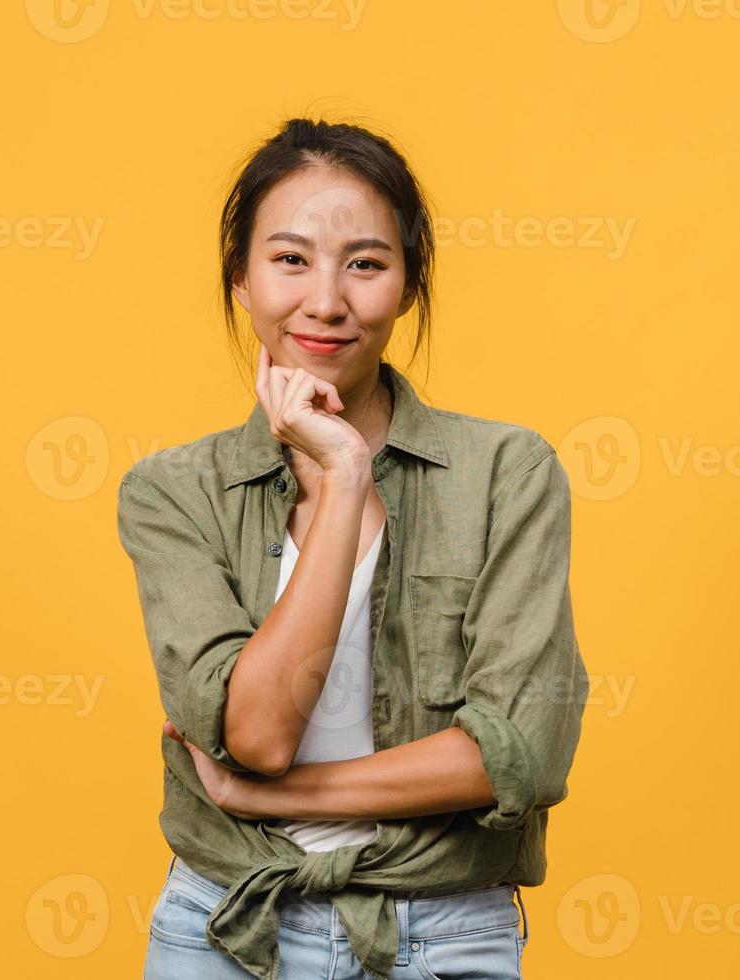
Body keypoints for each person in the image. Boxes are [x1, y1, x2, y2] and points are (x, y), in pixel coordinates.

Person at [116, 116, 587, 980]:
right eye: (290, 259)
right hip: (225, 930)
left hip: (443, 933)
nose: (326, 301)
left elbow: (520, 750)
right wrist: (340, 481)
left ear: (409, 285)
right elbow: (254, 733)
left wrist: (266, 798)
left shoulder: (506, 473)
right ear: (241, 281)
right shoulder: (172, 492)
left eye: (365, 263)